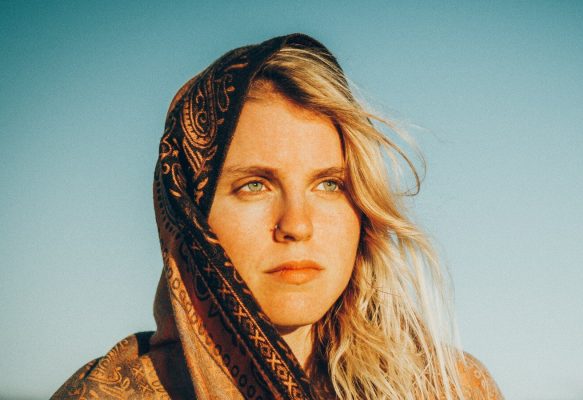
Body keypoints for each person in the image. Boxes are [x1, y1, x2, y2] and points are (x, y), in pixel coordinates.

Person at [53, 33, 502, 400]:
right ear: (190, 217)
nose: (297, 225)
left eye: (329, 184)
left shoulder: (449, 387)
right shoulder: (106, 392)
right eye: (254, 185)